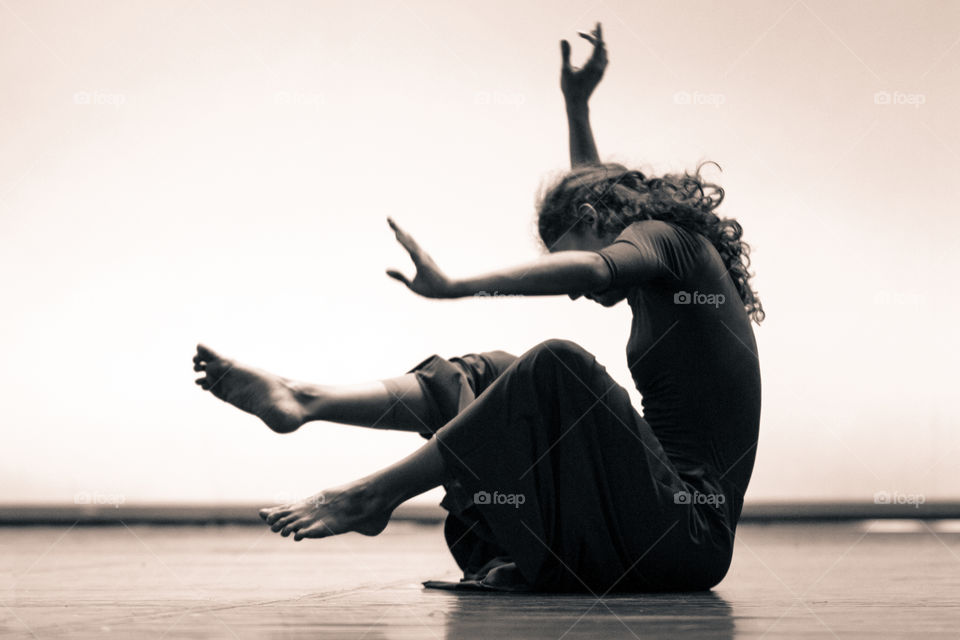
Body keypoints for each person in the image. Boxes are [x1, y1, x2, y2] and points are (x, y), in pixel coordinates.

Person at [192, 23, 763, 593]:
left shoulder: (671, 240)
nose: (569, 290)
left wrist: (457, 285)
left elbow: (594, 264)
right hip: (650, 524)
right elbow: (596, 200)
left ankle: (373, 496)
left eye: (569, 255)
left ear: (594, 221)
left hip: (690, 536)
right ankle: (304, 398)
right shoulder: (657, 256)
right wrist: (576, 106)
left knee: (555, 366)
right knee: (489, 371)